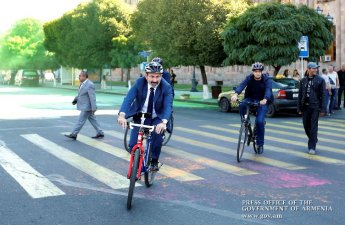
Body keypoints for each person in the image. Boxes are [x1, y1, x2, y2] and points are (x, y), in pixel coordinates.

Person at [117, 62, 173, 171]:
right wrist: (122, 115)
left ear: (161, 76)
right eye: (152, 76)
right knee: (133, 144)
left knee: (157, 136)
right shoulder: (139, 83)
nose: (155, 80)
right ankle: (138, 165)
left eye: (158, 77)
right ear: (146, 75)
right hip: (141, 115)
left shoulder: (166, 87)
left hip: (157, 117)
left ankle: (154, 161)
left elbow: (168, 106)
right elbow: (128, 99)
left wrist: (164, 122)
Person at [231, 62, 273, 154]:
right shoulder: (249, 78)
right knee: (242, 104)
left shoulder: (266, 79)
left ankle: (260, 144)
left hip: (262, 101)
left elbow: (268, 90)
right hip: (250, 99)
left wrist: (265, 99)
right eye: (255, 71)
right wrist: (235, 94)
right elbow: (242, 85)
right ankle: (244, 121)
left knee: (260, 122)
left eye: (259, 71)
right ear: (253, 72)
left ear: (262, 72)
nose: (257, 73)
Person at [65, 71, 104, 140]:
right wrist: (75, 99)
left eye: (80, 76)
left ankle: (74, 134)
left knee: (80, 121)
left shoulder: (89, 84)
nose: (79, 77)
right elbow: (81, 94)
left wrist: (94, 107)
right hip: (85, 106)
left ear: (85, 76)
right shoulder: (83, 84)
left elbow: (92, 97)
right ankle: (100, 132)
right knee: (93, 120)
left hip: (87, 107)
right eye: (79, 76)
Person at [297, 62, 326, 155]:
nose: (315, 70)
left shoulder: (320, 80)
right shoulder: (303, 80)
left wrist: (323, 109)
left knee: (313, 127)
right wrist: (299, 108)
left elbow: (323, 95)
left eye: (316, 68)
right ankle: (314, 139)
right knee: (306, 126)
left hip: (315, 106)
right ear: (308, 69)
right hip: (305, 107)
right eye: (313, 68)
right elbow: (300, 95)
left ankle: (312, 146)